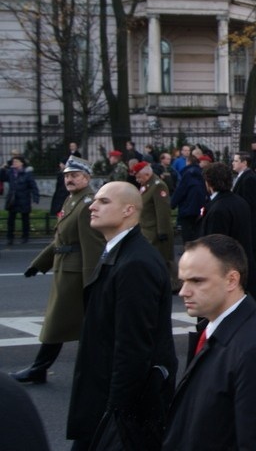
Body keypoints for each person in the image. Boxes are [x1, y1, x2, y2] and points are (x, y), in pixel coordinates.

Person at [67, 182, 177, 449]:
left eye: (103, 202)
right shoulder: (120, 252)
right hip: (106, 402)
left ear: (129, 210)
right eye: (95, 200)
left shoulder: (136, 263)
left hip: (117, 412)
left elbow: (133, 348)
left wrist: (115, 414)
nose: (92, 206)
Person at [163, 235, 256, 450]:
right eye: (182, 281)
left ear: (231, 280)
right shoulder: (217, 330)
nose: (183, 292)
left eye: (197, 281)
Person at [11, 156, 106, 384]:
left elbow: (92, 246)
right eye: (67, 176)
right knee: (82, 325)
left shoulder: (86, 204)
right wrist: (39, 263)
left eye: (75, 176)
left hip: (75, 275)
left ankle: (39, 368)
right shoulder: (72, 200)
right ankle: (93, 369)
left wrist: (91, 280)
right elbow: (59, 239)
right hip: (65, 269)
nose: (69, 180)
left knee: (59, 323)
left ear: (87, 177)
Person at [198, 163, 256, 305]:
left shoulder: (218, 209)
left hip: (226, 272)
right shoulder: (239, 202)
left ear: (209, 182)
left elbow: (215, 246)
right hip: (243, 266)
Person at [231, 152, 256, 302]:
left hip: (252, 226)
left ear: (244, 163)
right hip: (250, 225)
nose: (233, 163)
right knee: (254, 258)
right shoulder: (243, 177)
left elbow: (249, 204)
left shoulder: (249, 178)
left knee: (255, 259)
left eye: (235, 161)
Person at [135, 161, 178, 292]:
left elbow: (162, 210)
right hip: (147, 229)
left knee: (164, 259)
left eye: (139, 177)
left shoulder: (158, 186)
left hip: (156, 230)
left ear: (147, 174)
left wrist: (162, 231)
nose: (137, 180)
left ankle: (173, 284)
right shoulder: (147, 185)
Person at [1, 155, 40, 245]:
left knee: (25, 219)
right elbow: (2, 178)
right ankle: (10, 237)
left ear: (21, 163)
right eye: (13, 162)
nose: (14, 163)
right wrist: (2, 169)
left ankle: (25, 236)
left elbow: (33, 186)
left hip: (24, 199)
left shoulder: (27, 173)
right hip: (13, 199)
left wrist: (35, 198)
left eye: (16, 162)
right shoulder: (10, 172)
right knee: (11, 220)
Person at [170, 154, 206, 244]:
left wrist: (172, 204)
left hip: (187, 209)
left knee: (187, 235)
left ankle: (189, 252)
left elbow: (180, 191)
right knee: (197, 233)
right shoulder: (202, 174)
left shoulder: (187, 174)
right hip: (200, 209)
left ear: (188, 162)